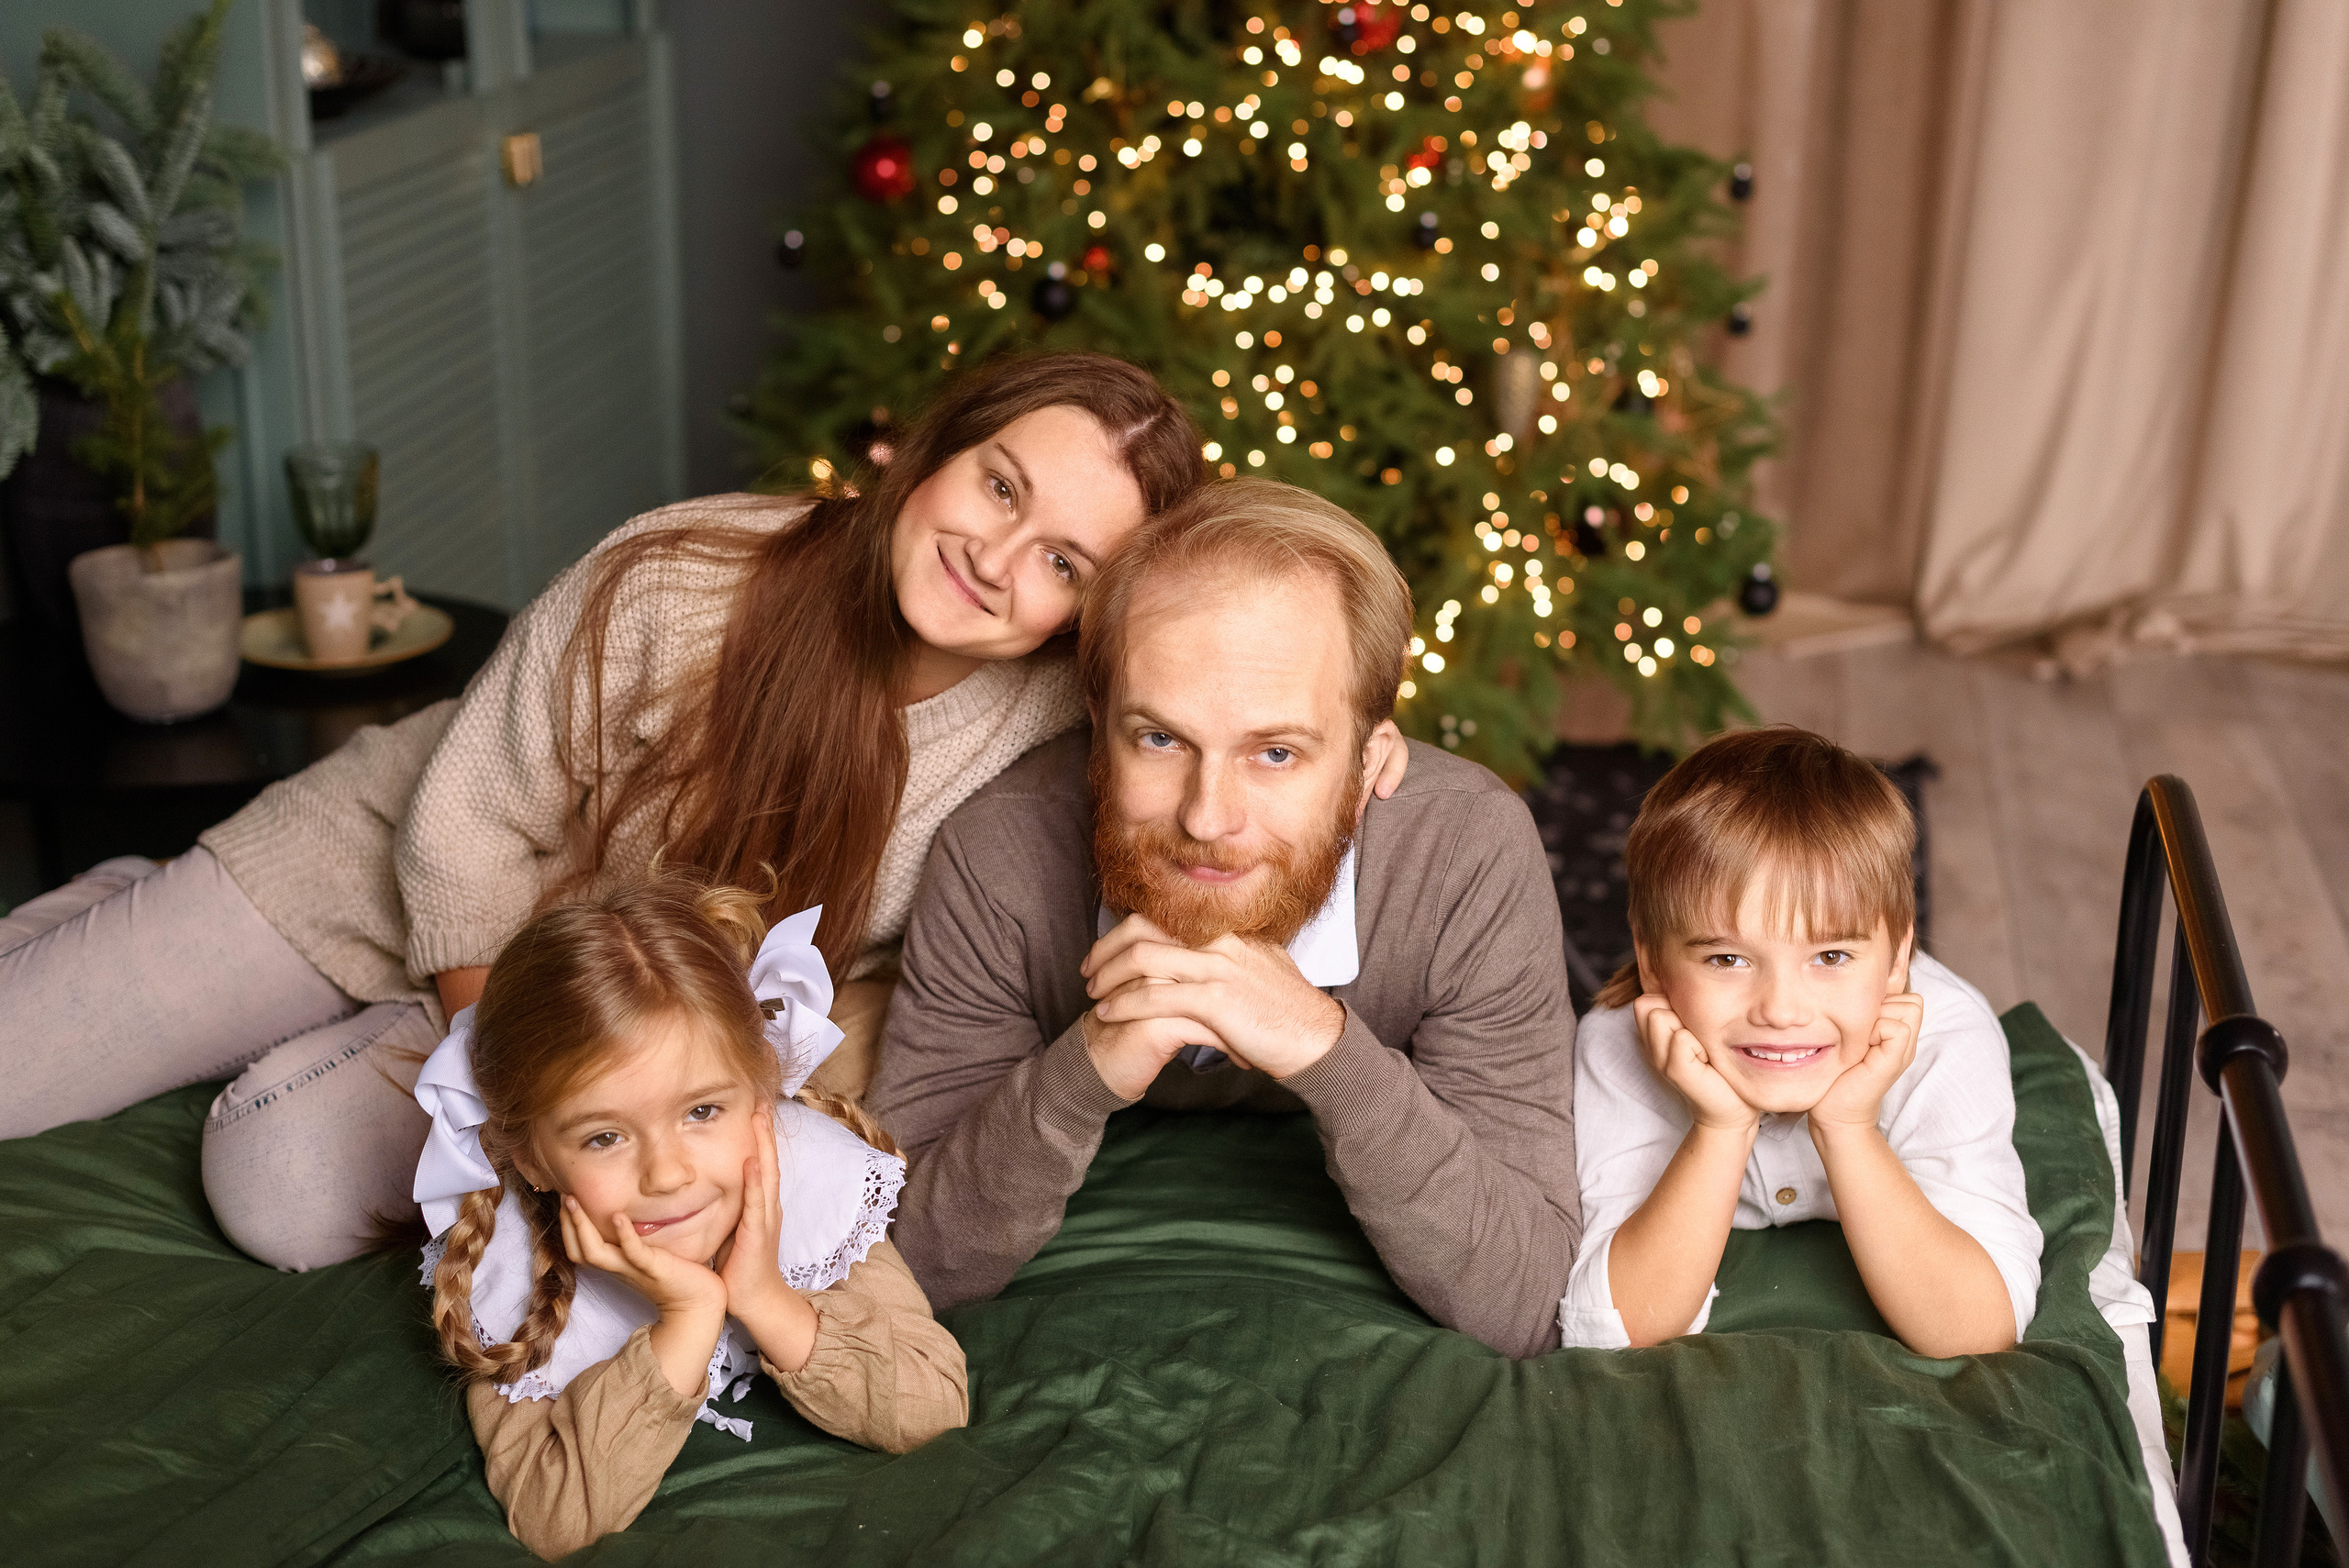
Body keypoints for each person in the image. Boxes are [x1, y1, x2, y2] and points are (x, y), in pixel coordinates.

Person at [0, 351, 1208, 1270]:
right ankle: (141, 913)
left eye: (1065, 562)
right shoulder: (687, 575)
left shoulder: (1053, 719)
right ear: (933, 450)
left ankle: (328, 1030)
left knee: (285, 1195)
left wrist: (1365, 744)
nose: (1000, 559)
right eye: (1000, 487)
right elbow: (467, 824)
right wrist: (505, 1078)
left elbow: (1243, 700)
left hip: (591, 1012)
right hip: (391, 870)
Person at [867, 478, 1583, 1360]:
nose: (1207, 818)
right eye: (1159, 739)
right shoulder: (998, 855)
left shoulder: (1465, 851)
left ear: (1370, 763)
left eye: (1275, 753)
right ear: (1099, 727)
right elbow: (897, 1264)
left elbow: (1535, 1294)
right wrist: (1083, 1068)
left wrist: (1325, 1047)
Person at [413, 874, 965, 1561]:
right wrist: (688, 1319)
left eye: (702, 1111)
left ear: (761, 1096)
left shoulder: (812, 1190)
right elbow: (552, 1513)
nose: (668, 1174)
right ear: (532, 1160)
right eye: (603, 1137)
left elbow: (934, 1401)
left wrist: (764, 1296)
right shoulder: (510, 1269)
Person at [1557, 726, 2042, 1357]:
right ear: (1650, 962)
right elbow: (1616, 1326)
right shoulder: (1617, 1047)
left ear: (1899, 957)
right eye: (1727, 959)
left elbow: (1977, 1329)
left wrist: (1849, 1128)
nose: (1782, 1010)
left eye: (1831, 954)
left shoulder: (1945, 1039)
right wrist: (1719, 1129)